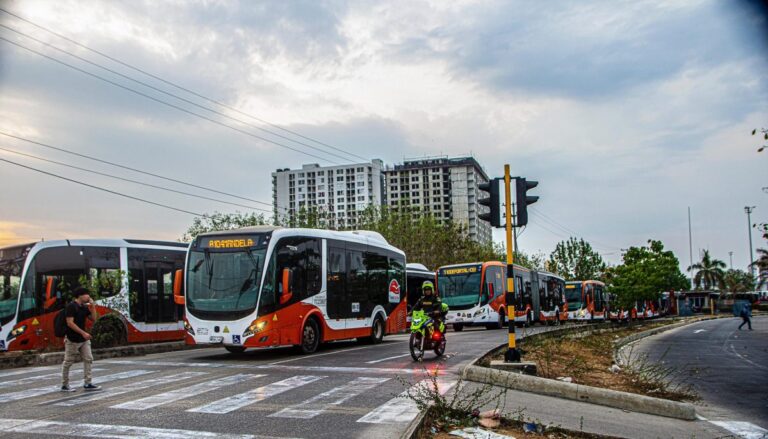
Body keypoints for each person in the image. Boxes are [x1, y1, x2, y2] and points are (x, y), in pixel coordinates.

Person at [61, 287, 101, 392]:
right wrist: (83, 333)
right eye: (86, 294)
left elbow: (93, 319)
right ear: (80, 296)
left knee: (88, 359)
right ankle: (65, 385)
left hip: (83, 339)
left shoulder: (83, 307)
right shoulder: (71, 306)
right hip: (72, 338)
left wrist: (92, 307)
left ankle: (88, 383)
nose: (88, 296)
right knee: (68, 362)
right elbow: (70, 323)